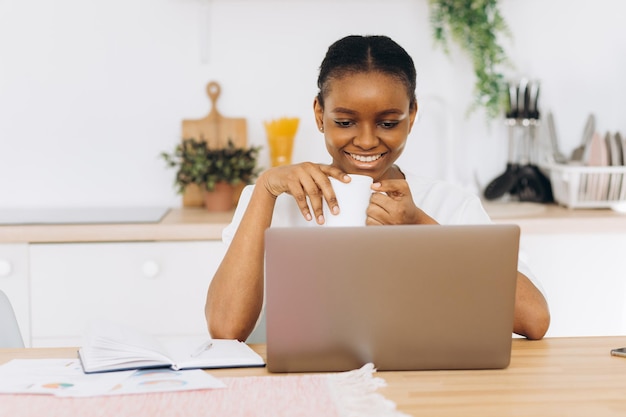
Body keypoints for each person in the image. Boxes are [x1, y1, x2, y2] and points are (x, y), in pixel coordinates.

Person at [205, 35, 550, 342]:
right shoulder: (270, 201)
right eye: (344, 122)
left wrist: (420, 227)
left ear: (411, 115)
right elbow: (226, 329)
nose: (367, 141)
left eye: (388, 123)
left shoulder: (448, 205)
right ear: (319, 114)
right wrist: (265, 187)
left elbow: (534, 320)